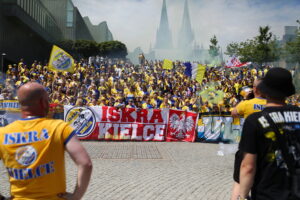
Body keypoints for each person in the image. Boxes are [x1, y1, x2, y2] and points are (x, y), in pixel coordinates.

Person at [0, 82, 92, 200]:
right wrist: (76, 196)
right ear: (43, 102)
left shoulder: (3, 133)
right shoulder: (59, 127)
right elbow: (85, 163)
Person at [237, 68, 299, 199]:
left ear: (264, 91)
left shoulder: (254, 121)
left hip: (267, 193)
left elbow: (248, 166)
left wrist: (242, 195)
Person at [231, 79, 267, 200]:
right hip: (268, 148)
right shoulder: (271, 104)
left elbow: (234, 112)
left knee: (239, 181)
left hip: (248, 146)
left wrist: (247, 98)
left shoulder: (246, 104)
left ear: (255, 89)